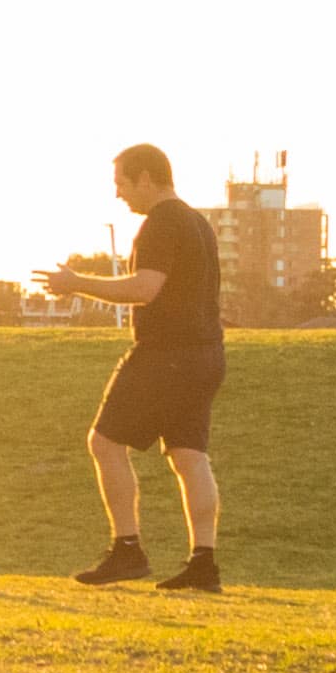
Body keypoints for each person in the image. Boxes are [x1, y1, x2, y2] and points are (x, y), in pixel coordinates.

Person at [57, 140, 226, 591]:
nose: (119, 194)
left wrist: (76, 284)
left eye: (122, 183)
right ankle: (203, 563)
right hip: (207, 354)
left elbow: (144, 288)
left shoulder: (161, 222)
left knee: (104, 443)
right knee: (190, 456)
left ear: (146, 178)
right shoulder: (197, 222)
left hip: (166, 354)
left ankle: (127, 549)